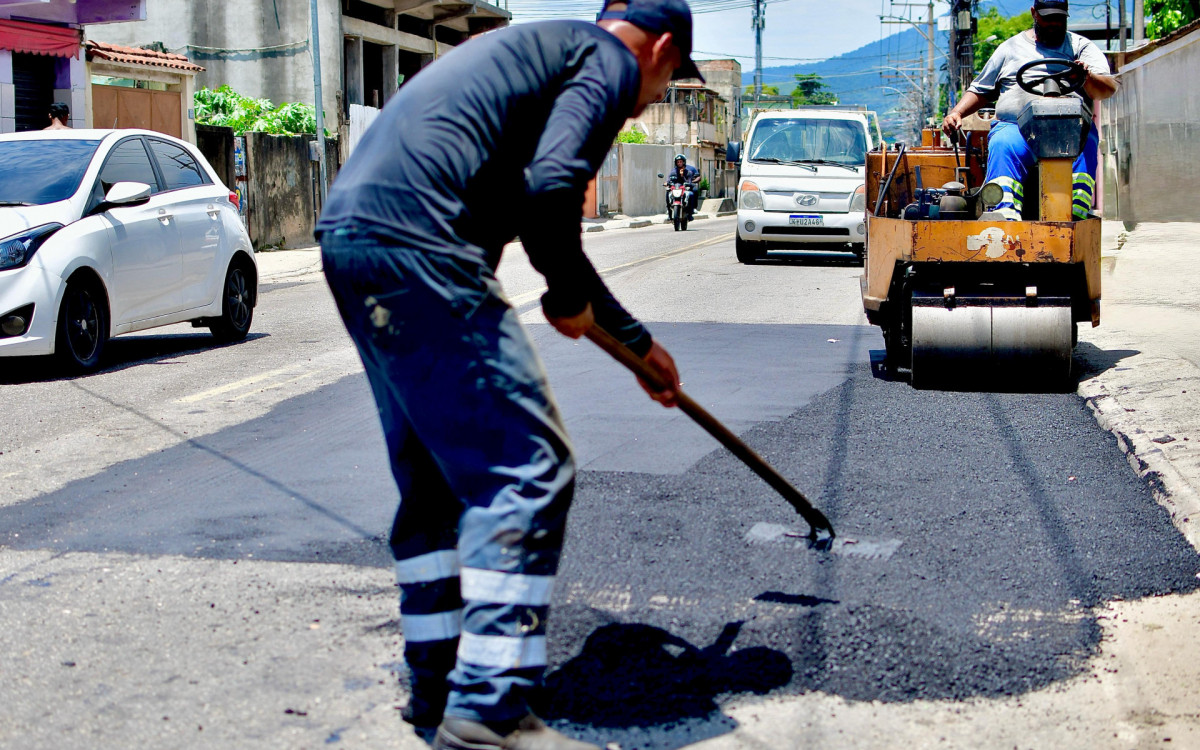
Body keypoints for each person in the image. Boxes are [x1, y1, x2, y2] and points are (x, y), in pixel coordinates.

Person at [315, 2, 697, 748]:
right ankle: (486, 710)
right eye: (665, 84)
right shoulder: (608, 64)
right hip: (422, 247)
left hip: (353, 236)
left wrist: (627, 336)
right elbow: (553, 190)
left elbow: (533, 207)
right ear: (660, 48)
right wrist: (565, 295)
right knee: (528, 469)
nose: (649, 100)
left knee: (434, 480)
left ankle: (435, 686)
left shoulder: (531, 53)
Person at [941, 0, 1117, 220]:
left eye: (1059, 18)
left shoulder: (1081, 47)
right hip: (1017, 129)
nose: (1053, 23)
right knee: (1003, 143)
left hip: (1067, 130)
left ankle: (1074, 215)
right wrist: (956, 113)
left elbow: (1106, 88)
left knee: (1086, 140)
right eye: (1047, 18)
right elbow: (981, 89)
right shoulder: (1010, 48)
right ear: (1034, 13)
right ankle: (1003, 216)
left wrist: (1086, 77)